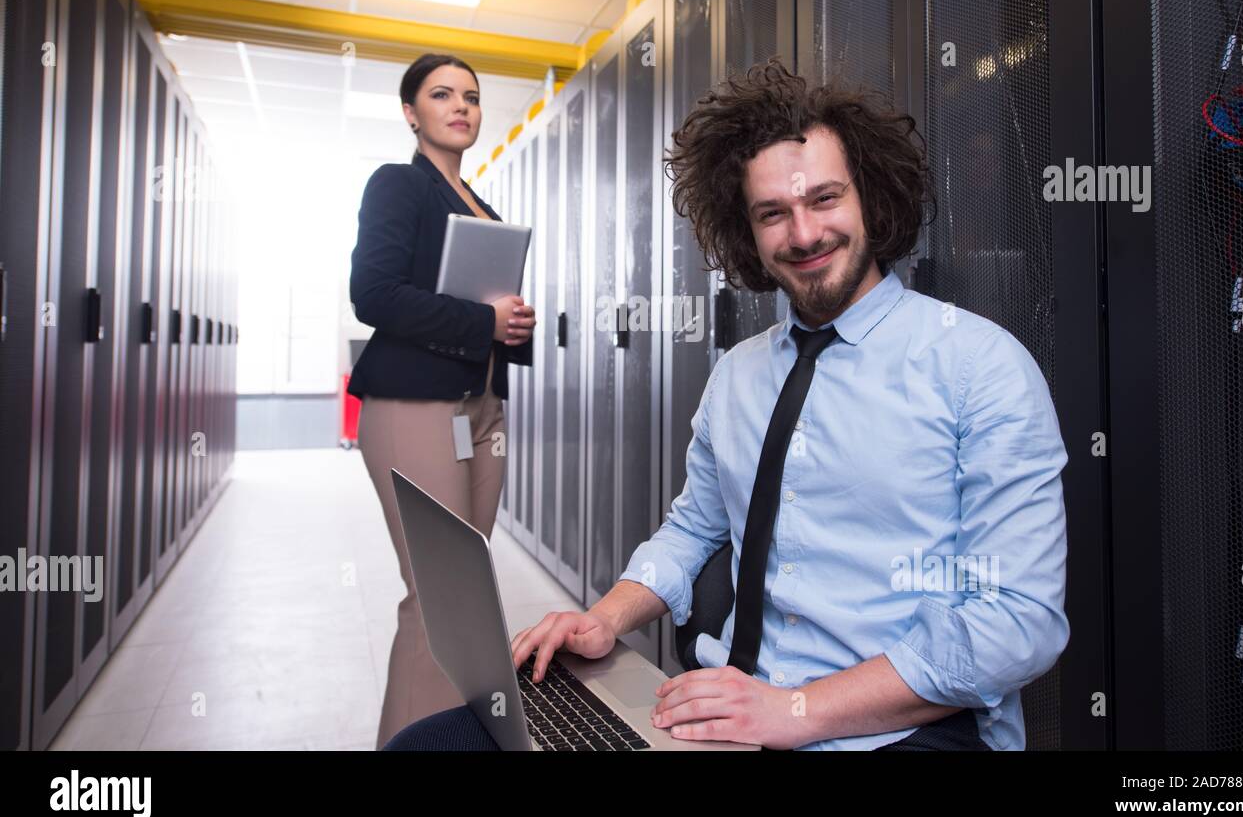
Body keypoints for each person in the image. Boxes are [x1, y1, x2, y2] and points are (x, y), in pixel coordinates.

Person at [387, 56, 1067, 751]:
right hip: (730, 710)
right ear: (746, 231)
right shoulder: (738, 375)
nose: (803, 235)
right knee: (428, 744)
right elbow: (693, 529)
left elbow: (1018, 621)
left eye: (825, 199)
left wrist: (795, 709)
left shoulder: (979, 366)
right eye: (773, 213)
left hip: (903, 730)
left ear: (874, 199)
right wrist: (606, 617)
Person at [349, 53, 536, 749]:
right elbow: (374, 293)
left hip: (482, 408)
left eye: (472, 96)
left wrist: (511, 324)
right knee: (437, 597)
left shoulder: (483, 207)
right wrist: (480, 322)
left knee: (469, 600)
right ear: (411, 113)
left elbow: (484, 313)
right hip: (414, 404)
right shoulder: (400, 186)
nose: (461, 106)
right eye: (441, 94)